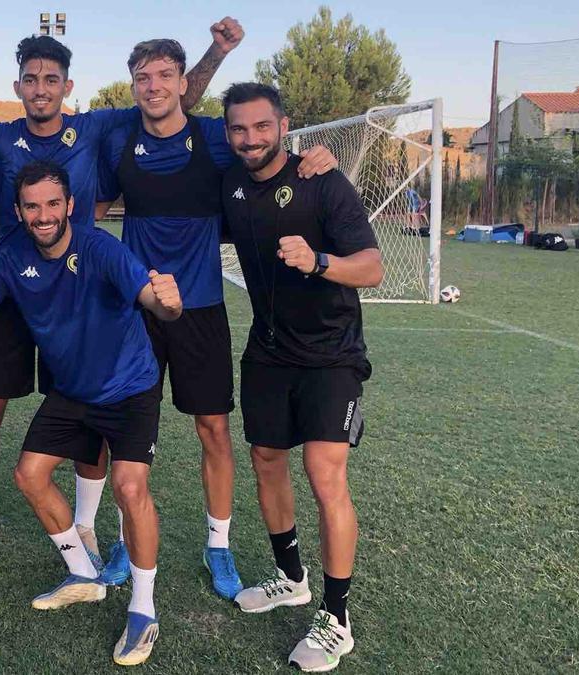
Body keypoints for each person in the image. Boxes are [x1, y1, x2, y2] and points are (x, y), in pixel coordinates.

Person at [0, 20, 242, 576]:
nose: (41, 88)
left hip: (78, 290)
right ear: (20, 85)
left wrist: (215, 51)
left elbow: (173, 96)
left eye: (51, 79)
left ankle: (84, 525)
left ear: (67, 86)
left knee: (90, 416)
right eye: (31, 79)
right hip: (14, 287)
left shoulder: (96, 128)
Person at [0, 161, 178, 666]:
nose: (42, 215)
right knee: (30, 475)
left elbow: (153, 298)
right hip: (74, 391)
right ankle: (83, 574)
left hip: (129, 388)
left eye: (51, 204)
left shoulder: (100, 248)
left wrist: (167, 302)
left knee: (131, 488)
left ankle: (144, 609)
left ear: (68, 206)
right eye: (31, 206)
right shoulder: (12, 255)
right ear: (19, 211)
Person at [95, 38, 339, 598]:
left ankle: (219, 545)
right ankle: (122, 537)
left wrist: (313, 157)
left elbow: (267, 157)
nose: (153, 85)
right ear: (133, 85)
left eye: (164, 75)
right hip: (137, 308)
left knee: (214, 430)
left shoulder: (214, 137)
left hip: (201, 308)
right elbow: (95, 210)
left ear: (184, 82)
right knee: (125, 429)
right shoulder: (120, 140)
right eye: (142, 76)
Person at [219, 82, 383, 673]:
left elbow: (372, 267)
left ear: (283, 125)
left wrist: (318, 261)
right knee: (266, 459)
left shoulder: (324, 181)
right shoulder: (231, 187)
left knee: (323, 472)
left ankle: (336, 618)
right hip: (266, 351)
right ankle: (292, 579)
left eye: (261, 127)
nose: (250, 138)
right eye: (239, 129)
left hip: (330, 355)